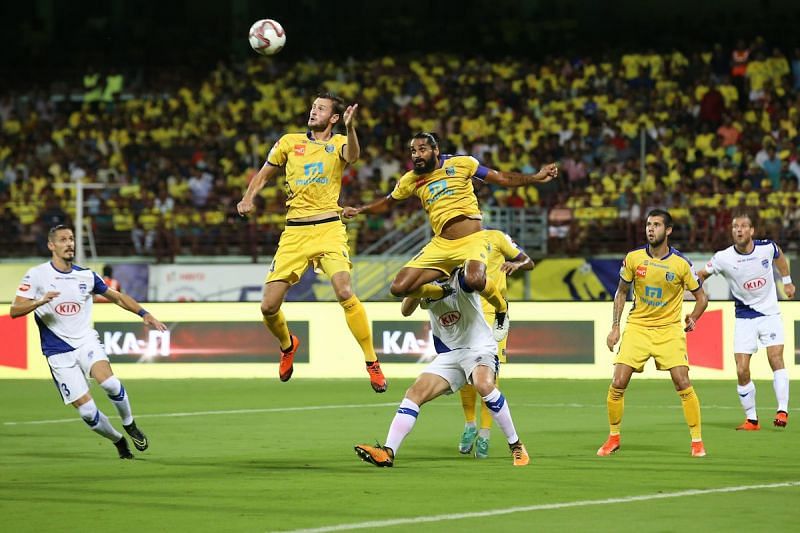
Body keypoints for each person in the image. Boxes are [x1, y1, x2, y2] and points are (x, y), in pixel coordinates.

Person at [343, 132, 558, 342]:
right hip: (442, 244)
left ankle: (501, 308)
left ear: (436, 150)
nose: (416, 155)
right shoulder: (410, 180)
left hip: (473, 239)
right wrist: (360, 210)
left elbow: (501, 178)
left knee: (474, 279)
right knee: (399, 288)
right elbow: (387, 203)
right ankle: (441, 291)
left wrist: (535, 177)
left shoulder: (462, 163)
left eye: (422, 149)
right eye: (413, 151)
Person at [236, 92, 386, 393]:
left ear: (333, 118)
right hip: (295, 232)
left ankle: (372, 362)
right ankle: (287, 343)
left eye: (320, 108)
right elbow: (263, 174)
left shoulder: (340, 142)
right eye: (312, 106)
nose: (313, 111)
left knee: (344, 290)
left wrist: (351, 127)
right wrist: (248, 197)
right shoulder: (289, 142)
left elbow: (353, 156)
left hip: (329, 228)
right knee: (268, 306)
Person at [10, 225, 167, 459]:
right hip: (57, 352)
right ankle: (118, 440)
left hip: (86, 342)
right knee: (87, 412)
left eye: (72, 239)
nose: (69, 243)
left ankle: (130, 424)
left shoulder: (86, 275)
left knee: (111, 384)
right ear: (51, 245)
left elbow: (117, 297)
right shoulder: (37, 275)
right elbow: (15, 310)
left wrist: (144, 314)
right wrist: (39, 301)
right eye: (63, 239)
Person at [354, 267, 529, 468]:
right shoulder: (425, 283)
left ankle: (516, 445)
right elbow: (405, 310)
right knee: (414, 393)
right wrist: (417, 285)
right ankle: (388, 451)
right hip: (449, 354)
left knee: (483, 385)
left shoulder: (461, 277)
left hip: (478, 347)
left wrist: (500, 307)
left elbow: (478, 280)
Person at [599, 209, 709, 458]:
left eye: (657, 225)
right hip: (638, 327)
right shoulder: (634, 258)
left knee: (682, 382)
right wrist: (615, 326)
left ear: (668, 230)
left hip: (668, 330)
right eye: (648, 224)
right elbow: (621, 292)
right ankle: (613, 437)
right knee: (618, 382)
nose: (651, 229)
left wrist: (694, 317)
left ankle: (697, 441)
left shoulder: (681, 264)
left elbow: (702, 298)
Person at [697, 212, 795, 429]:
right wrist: (697, 291)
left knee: (775, 358)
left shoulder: (766, 247)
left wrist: (787, 281)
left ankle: (782, 410)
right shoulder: (723, 257)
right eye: (734, 227)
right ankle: (752, 419)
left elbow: (779, 256)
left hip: (769, 313)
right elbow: (701, 275)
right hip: (744, 317)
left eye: (743, 226)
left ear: (752, 231)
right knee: (741, 369)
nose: (738, 230)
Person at [458, 229, 534, 459]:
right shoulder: (455, 241)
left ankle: (485, 433)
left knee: (488, 375)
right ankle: (469, 425)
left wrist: (517, 265)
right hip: (465, 313)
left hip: (493, 312)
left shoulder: (497, 237)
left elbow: (528, 261)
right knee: (465, 372)